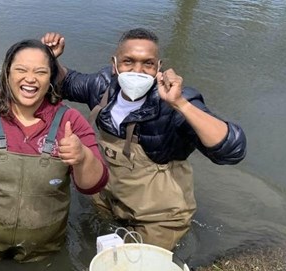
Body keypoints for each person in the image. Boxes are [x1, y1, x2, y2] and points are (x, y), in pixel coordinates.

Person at [41, 29, 246, 250]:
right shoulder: (102, 86)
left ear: (159, 68)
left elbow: (232, 150)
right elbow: (67, 82)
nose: (137, 71)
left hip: (159, 215)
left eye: (147, 64)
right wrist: (50, 59)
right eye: (128, 61)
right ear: (114, 64)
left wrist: (180, 104)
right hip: (109, 197)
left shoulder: (175, 104)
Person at [0, 39, 108, 263]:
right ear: (7, 73)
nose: (30, 78)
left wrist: (82, 157)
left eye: (41, 72)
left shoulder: (70, 121)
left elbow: (95, 184)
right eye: (21, 70)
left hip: (44, 248)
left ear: (51, 78)